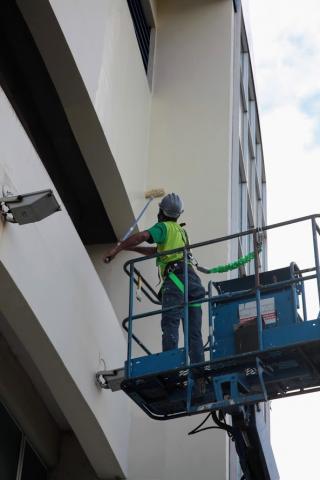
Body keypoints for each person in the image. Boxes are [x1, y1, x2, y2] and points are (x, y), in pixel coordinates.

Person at [103, 193, 205, 366]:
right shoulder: (181, 232)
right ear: (179, 214)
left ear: (161, 212)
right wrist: (132, 249)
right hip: (192, 282)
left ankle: (170, 366)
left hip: (175, 281)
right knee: (194, 333)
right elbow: (157, 251)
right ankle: (200, 371)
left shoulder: (163, 227)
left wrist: (119, 247)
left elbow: (143, 236)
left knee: (170, 324)